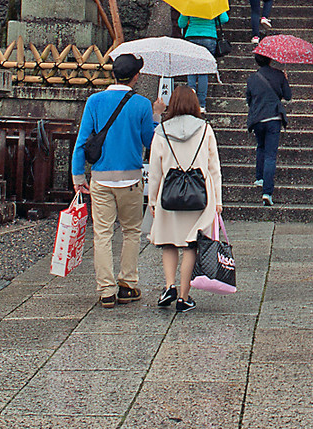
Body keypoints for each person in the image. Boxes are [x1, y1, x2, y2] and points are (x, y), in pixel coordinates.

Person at [71, 53, 157, 308]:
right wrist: (157, 115)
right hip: (130, 178)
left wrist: (78, 177)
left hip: (101, 178)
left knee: (102, 234)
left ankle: (106, 289)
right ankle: (127, 284)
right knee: (131, 232)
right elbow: (149, 141)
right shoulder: (142, 104)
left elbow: (82, 141)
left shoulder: (95, 101)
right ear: (136, 76)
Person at [146, 84, 221, 312]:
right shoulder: (205, 129)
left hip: (169, 193)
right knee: (191, 244)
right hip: (199, 193)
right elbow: (214, 167)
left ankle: (169, 285)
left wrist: (152, 199)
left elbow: (155, 169)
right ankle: (183, 295)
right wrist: (218, 200)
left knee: (168, 241)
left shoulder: (162, 131)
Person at [245, 52, 291, 205]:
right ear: (270, 59)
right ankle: (267, 192)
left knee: (260, 147)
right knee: (271, 155)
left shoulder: (252, 78)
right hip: (273, 117)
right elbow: (288, 96)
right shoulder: (278, 75)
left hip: (258, 118)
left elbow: (248, 100)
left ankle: (259, 178)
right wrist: (285, 79)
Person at [179, 9, 228, 112]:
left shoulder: (190, 1)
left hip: (192, 36)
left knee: (191, 70)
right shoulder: (213, 1)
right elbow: (224, 19)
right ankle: (201, 105)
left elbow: (181, 23)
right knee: (203, 72)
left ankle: (190, 101)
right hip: (209, 37)